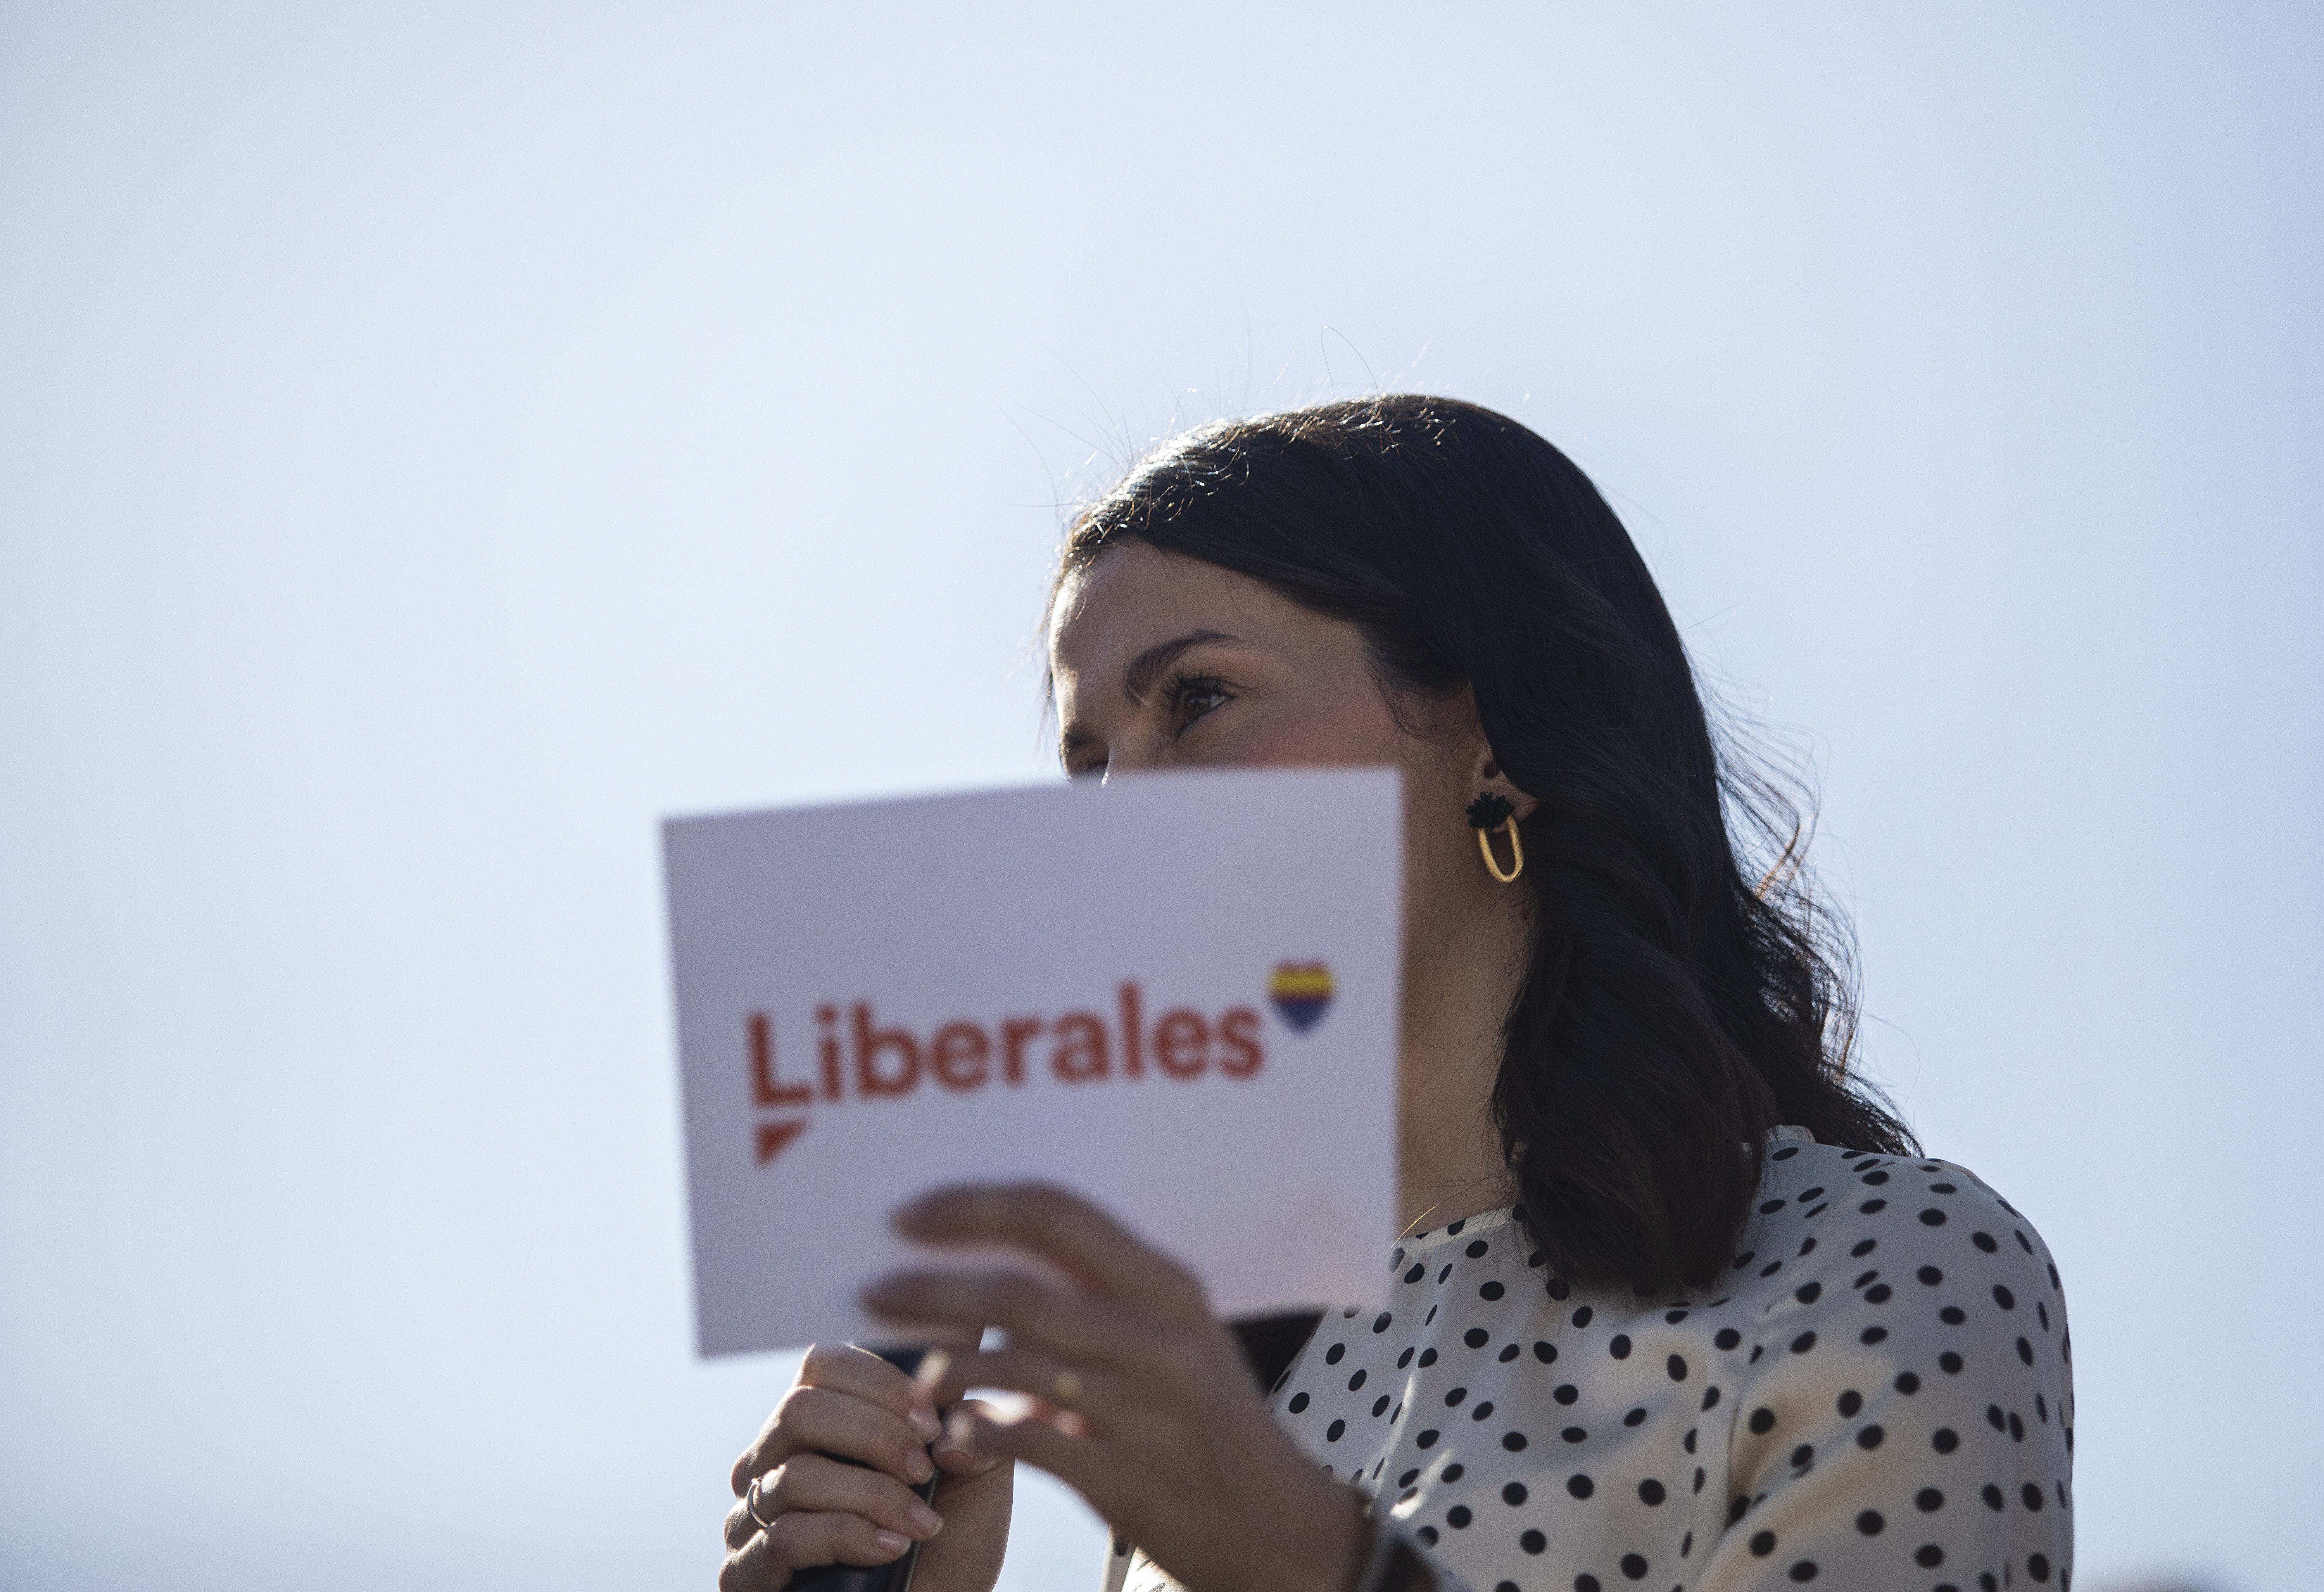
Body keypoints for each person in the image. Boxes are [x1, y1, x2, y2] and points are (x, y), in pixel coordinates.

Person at [717, 396, 2075, 1592]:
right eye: (1088, 763)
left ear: (1499, 741)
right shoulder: (1240, 1399)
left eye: (1196, 699)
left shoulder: (1880, 1262)